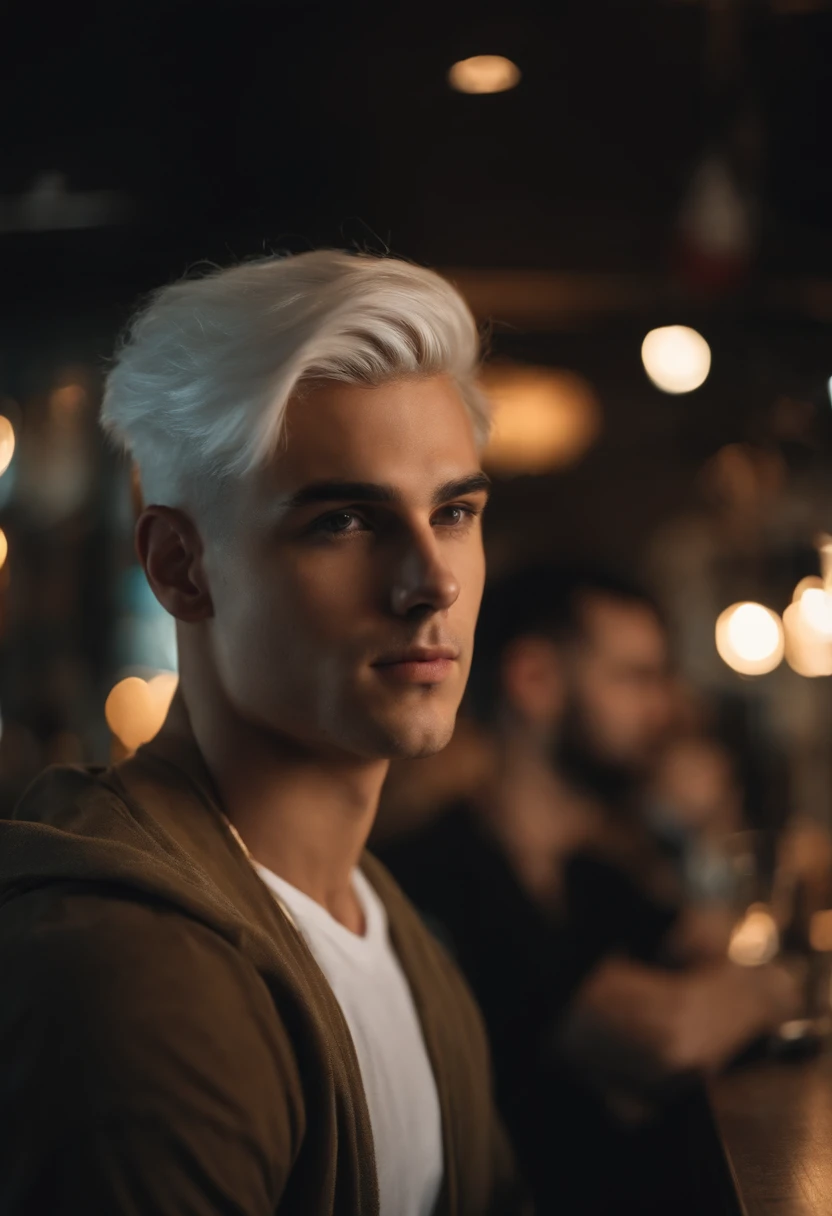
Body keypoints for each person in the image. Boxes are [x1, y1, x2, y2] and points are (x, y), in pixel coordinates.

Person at [0, 251, 530, 1215]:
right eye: (344, 522)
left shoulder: (384, 922)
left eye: (454, 511)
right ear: (178, 567)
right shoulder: (138, 973)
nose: (433, 583)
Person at [380, 564, 799, 1215]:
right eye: (635, 678)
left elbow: (713, 948)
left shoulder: (592, 873)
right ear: (534, 680)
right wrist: (771, 988)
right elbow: (667, 1036)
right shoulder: (444, 867)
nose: (664, 708)